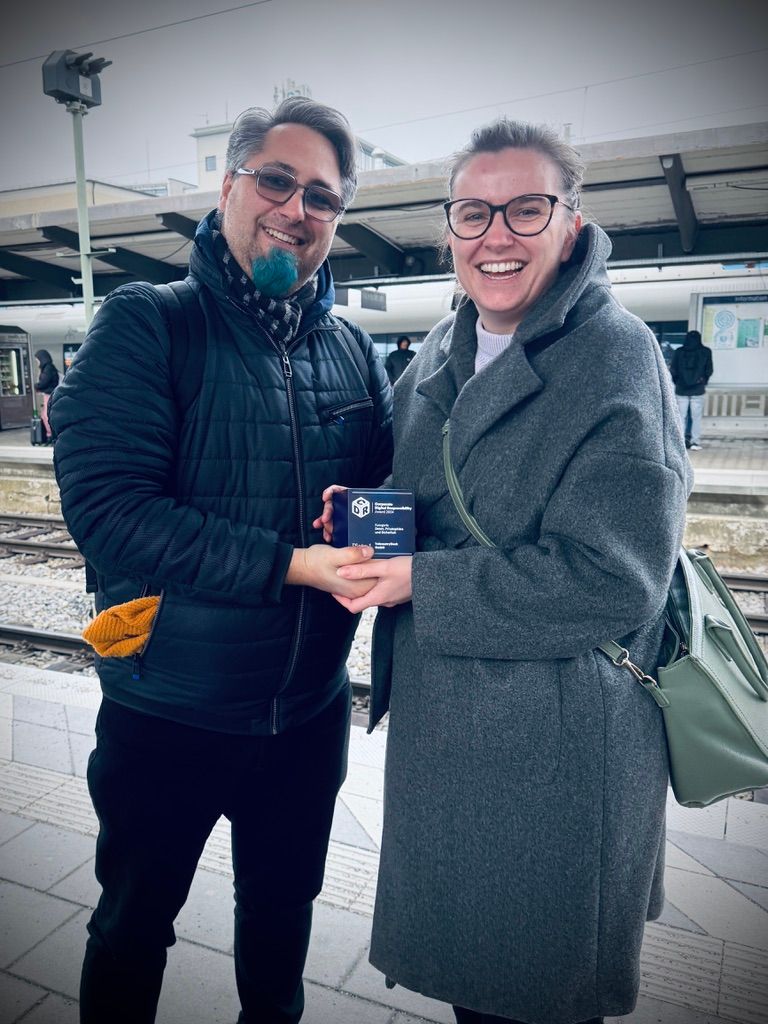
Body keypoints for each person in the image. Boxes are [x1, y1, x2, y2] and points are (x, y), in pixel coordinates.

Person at [322, 120, 691, 1023]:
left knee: (534, 997)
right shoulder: (442, 353)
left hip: (557, 754)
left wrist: (422, 583)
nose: (497, 236)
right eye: (473, 212)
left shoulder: (615, 354)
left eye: (526, 210)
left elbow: (613, 580)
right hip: (455, 738)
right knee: (478, 995)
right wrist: (365, 515)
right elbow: (433, 500)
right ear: (449, 229)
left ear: (571, 222)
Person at [49, 97, 392, 1024]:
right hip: (168, 715)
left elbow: (387, 498)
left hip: (307, 717)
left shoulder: (354, 347)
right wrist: (295, 564)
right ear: (230, 182)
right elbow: (112, 516)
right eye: (276, 180)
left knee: (281, 930)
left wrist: (374, 525)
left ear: (338, 217)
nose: (295, 208)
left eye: (322, 196)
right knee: (133, 928)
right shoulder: (148, 324)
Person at [670, 329, 713, 450]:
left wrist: (678, 381)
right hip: (698, 389)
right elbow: (709, 369)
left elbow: (673, 369)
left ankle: (680, 442)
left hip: (681, 389)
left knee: (681, 416)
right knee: (696, 417)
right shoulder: (706, 352)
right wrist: (703, 380)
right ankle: (695, 442)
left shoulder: (679, 352)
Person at [33, 348, 59, 443]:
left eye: (37, 360)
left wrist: (36, 386)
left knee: (46, 415)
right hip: (48, 394)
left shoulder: (48, 368)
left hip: (49, 395)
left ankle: (51, 435)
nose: (37, 362)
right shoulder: (48, 367)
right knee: (45, 415)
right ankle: (50, 435)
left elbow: (44, 382)